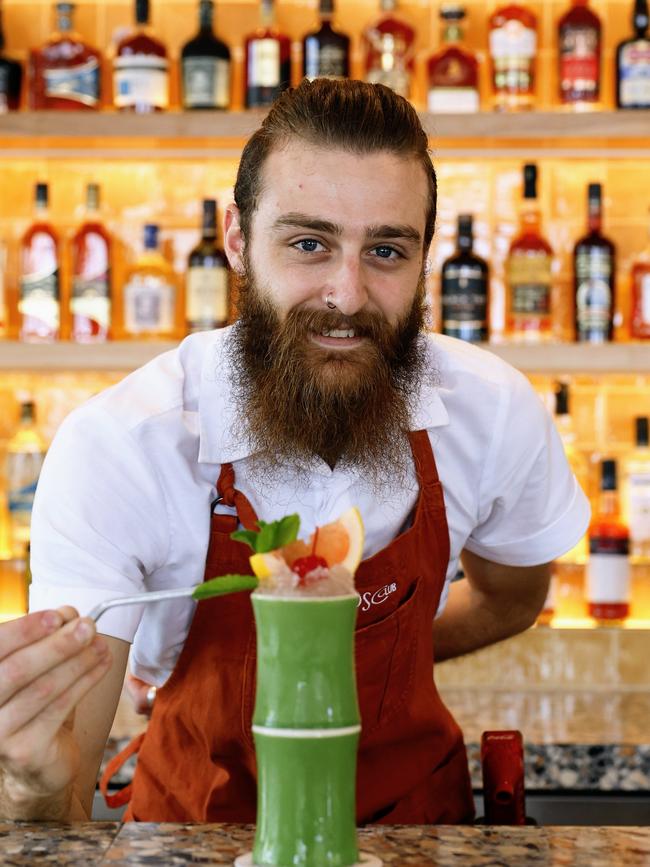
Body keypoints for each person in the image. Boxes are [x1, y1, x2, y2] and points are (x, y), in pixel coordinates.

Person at [0, 78, 589, 824]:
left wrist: (329, 662)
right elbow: (64, 781)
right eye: (308, 243)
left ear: (424, 257)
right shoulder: (123, 446)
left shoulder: (491, 411)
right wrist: (27, 784)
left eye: (385, 250)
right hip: (196, 830)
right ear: (237, 239)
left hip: (421, 829)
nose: (346, 293)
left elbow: (513, 598)